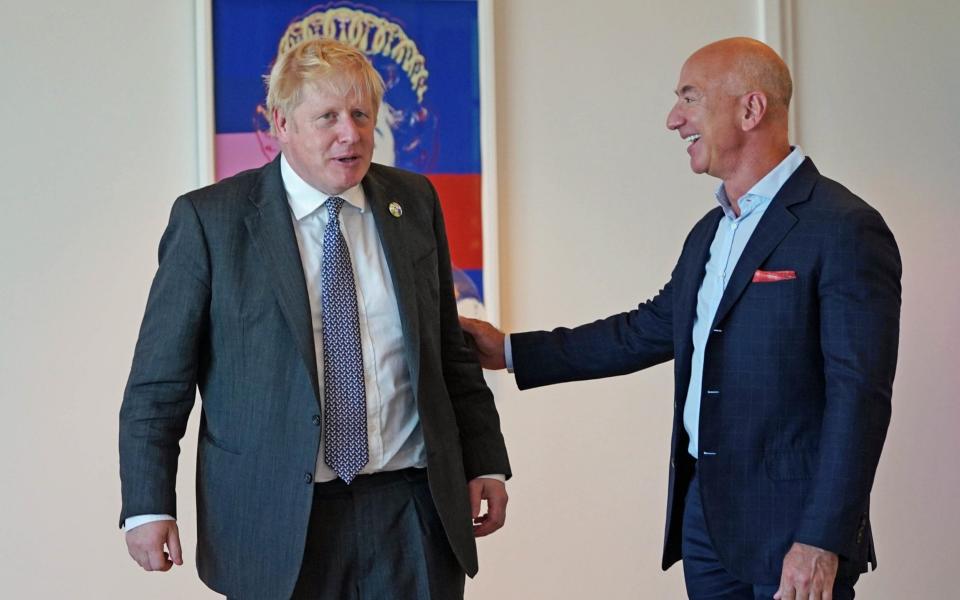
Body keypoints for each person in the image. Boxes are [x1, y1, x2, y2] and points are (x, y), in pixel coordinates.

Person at [460, 37, 900, 600]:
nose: (674, 119)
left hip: (795, 535)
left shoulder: (843, 227)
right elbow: (646, 329)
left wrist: (823, 538)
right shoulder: (708, 234)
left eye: (689, 98)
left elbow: (859, 397)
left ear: (750, 109)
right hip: (706, 524)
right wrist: (512, 351)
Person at [119, 38, 511, 600]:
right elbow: (159, 382)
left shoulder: (414, 201)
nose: (349, 134)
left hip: (411, 509)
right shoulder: (211, 221)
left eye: (360, 115)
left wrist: (486, 460)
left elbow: (448, 348)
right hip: (276, 519)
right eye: (327, 116)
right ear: (281, 123)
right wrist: (147, 504)